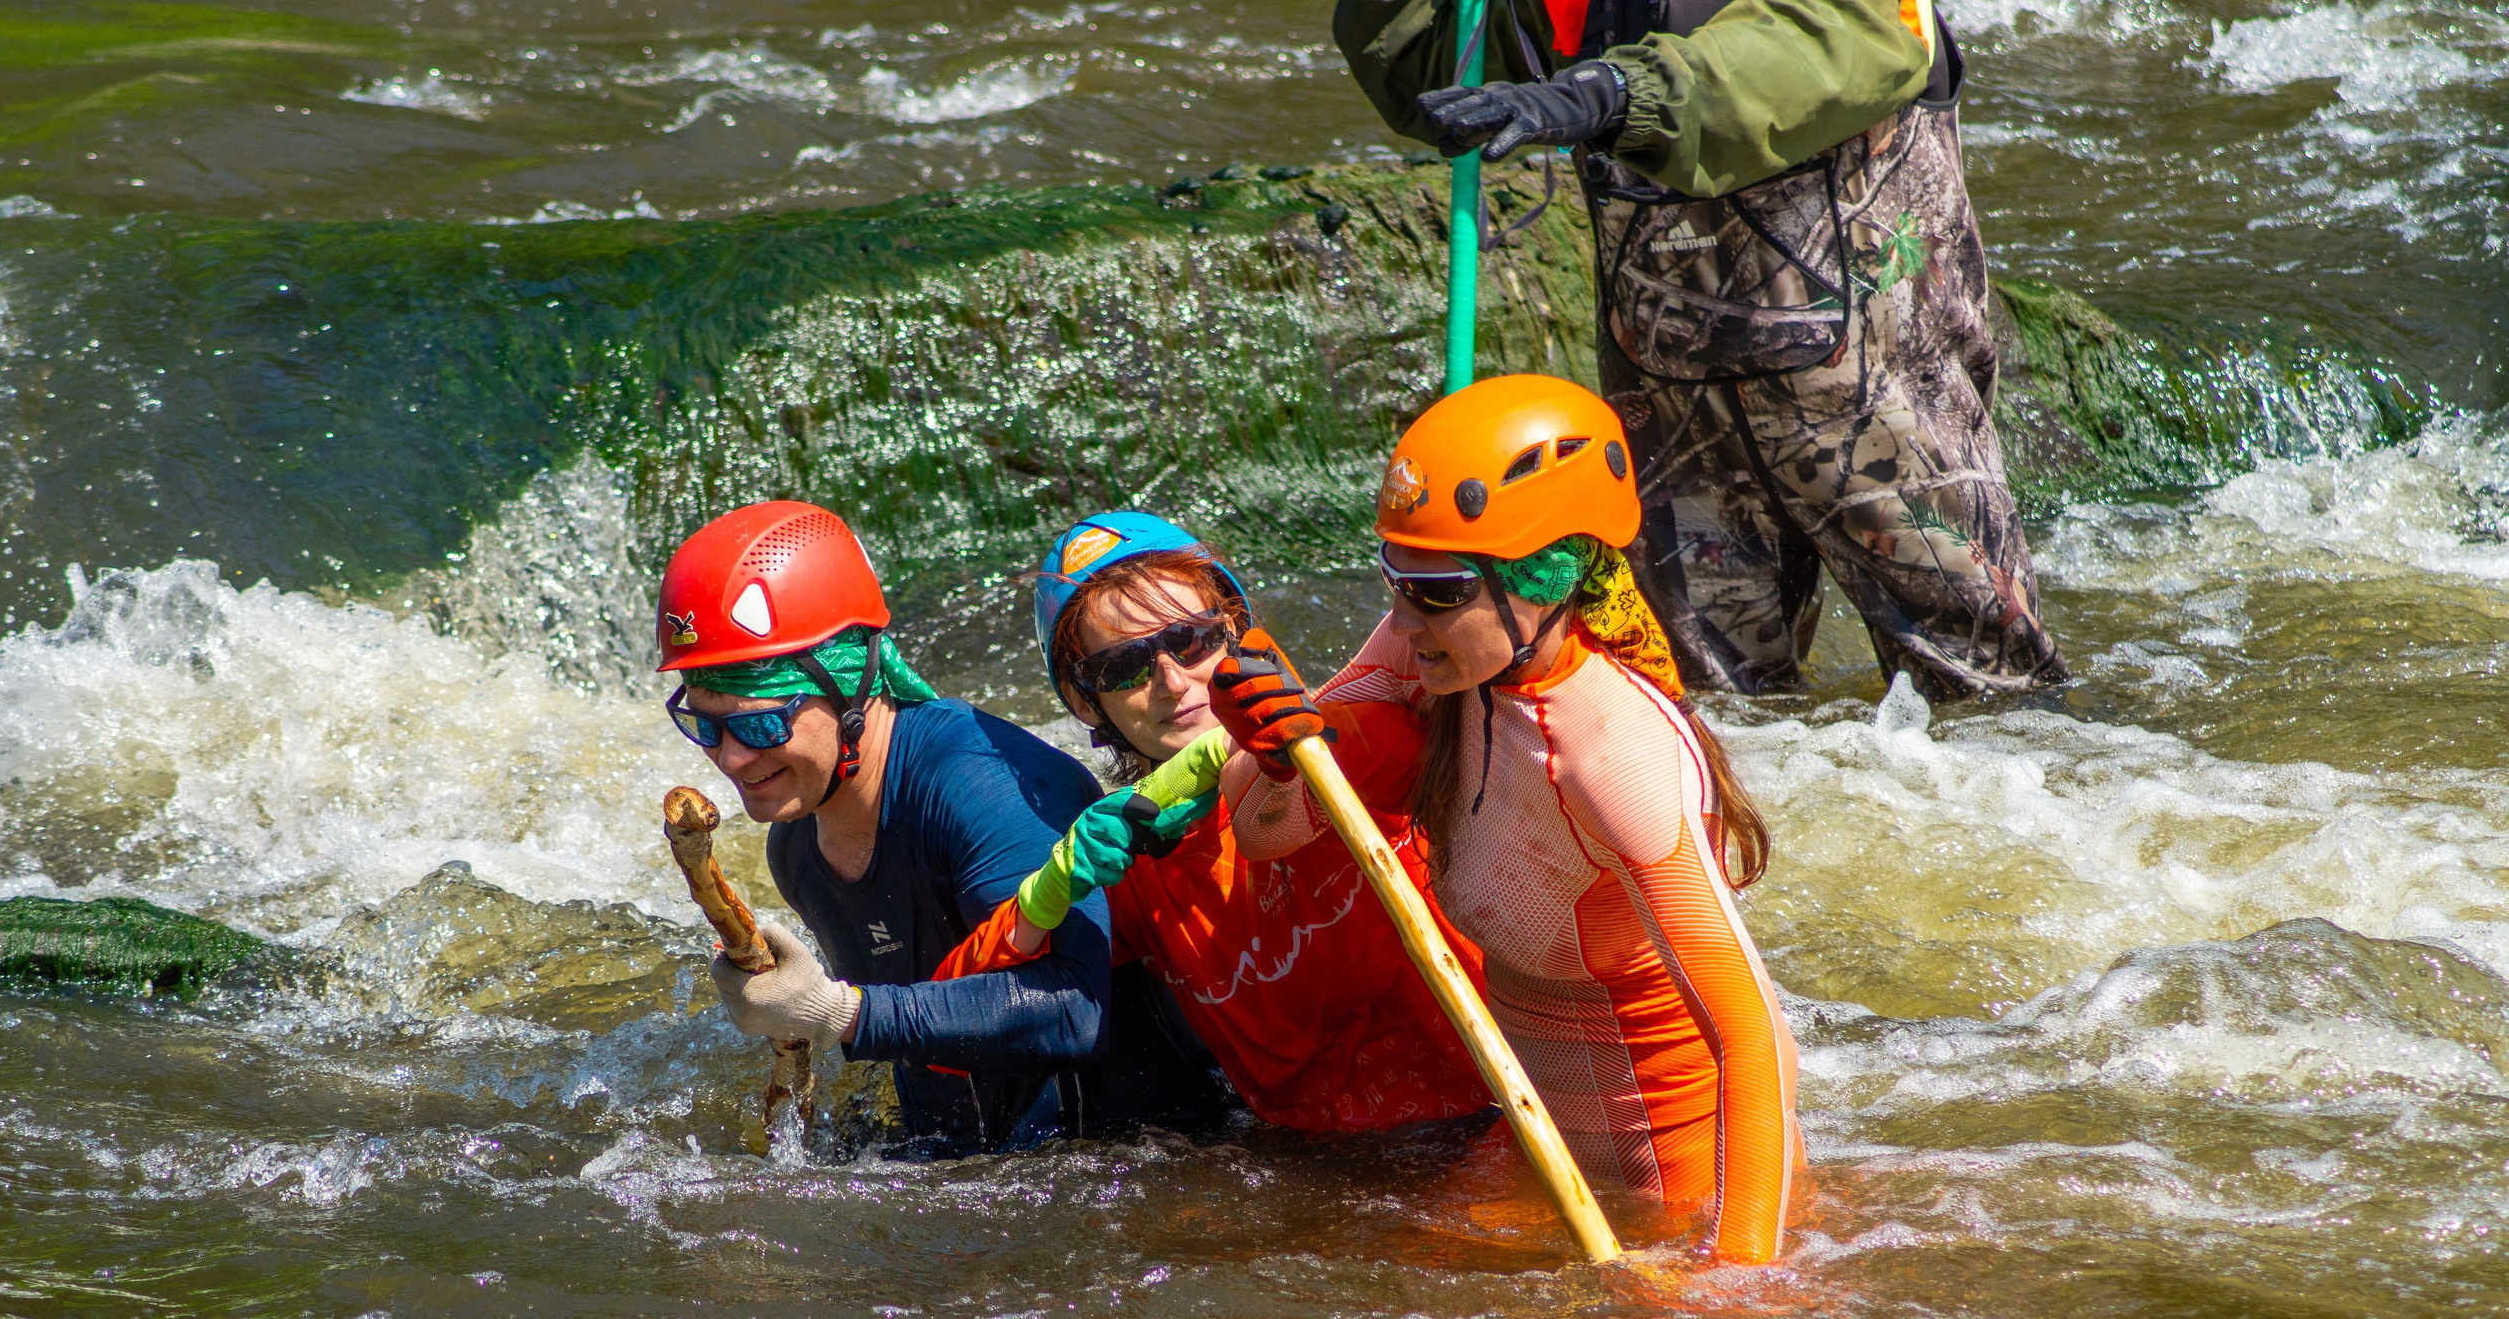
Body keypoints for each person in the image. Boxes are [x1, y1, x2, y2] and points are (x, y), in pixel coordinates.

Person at [1332, 0, 2068, 699]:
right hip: (1677, 434)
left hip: (1884, 434)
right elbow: (1422, 59)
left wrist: (1606, 95)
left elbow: (1810, 50)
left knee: (1993, 710)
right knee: (1706, 724)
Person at [1217, 376, 1802, 1262]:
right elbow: (1265, 832)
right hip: (1537, 1148)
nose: (1405, 620)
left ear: (1546, 576)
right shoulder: (1431, 660)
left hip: (1678, 1182)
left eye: (1439, 590)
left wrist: (1739, 1287)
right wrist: (1267, 752)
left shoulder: (1614, 753)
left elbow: (1751, 1038)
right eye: (1395, 581)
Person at [655, 499, 1228, 1158]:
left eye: (760, 724)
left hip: (1159, 1165)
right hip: (981, 1172)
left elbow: (1075, 1012)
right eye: (704, 724)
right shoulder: (797, 848)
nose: (731, 758)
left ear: (853, 685)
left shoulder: (986, 786)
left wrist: (838, 1014)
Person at [931, 511, 1499, 1135]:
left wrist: (1297, 754)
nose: (1172, 682)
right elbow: (948, 1041)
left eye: (1192, 641)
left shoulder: (1351, 742)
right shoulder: (1128, 865)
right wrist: (1046, 894)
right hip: (1325, 1174)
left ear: (1237, 632)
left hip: (1502, 1111)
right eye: (1125, 668)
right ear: (1086, 703)